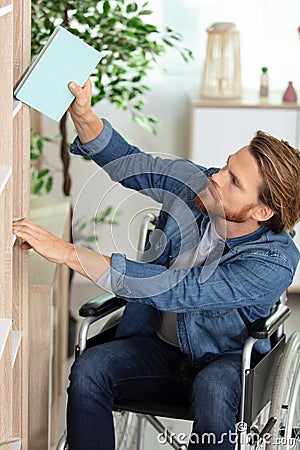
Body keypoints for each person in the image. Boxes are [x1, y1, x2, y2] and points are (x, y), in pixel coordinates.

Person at [13, 79, 300, 450]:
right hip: (161, 348)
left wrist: (69, 253)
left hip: (224, 360)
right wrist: (83, 114)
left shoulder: (273, 261)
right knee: (90, 369)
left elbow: (179, 289)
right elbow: (132, 165)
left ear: (262, 211)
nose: (216, 177)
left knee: (212, 390)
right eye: (226, 166)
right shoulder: (202, 188)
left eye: (233, 181)